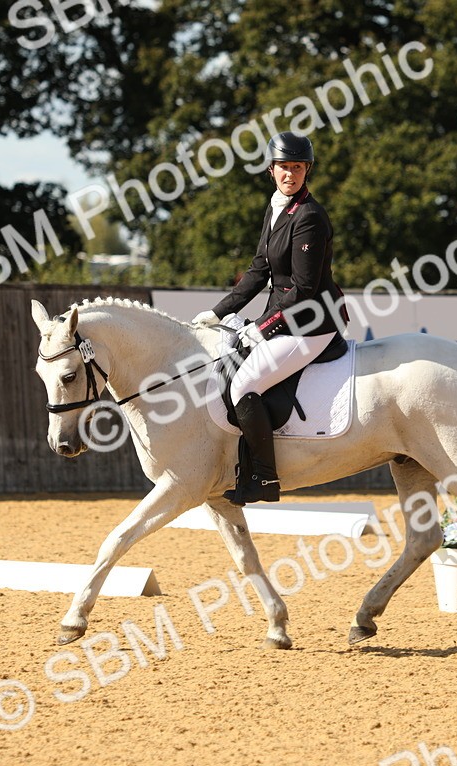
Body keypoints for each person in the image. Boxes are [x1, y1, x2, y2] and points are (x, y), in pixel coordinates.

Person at [192, 132, 343, 506]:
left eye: (297, 168)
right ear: (271, 170)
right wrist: (218, 311)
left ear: (306, 170)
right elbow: (258, 271)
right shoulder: (276, 207)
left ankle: (264, 478)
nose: (289, 174)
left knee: (243, 386)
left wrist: (262, 328)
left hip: (311, 323)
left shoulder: (310, 216)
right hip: (282, 315)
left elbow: (305, 289)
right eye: (283, 168)